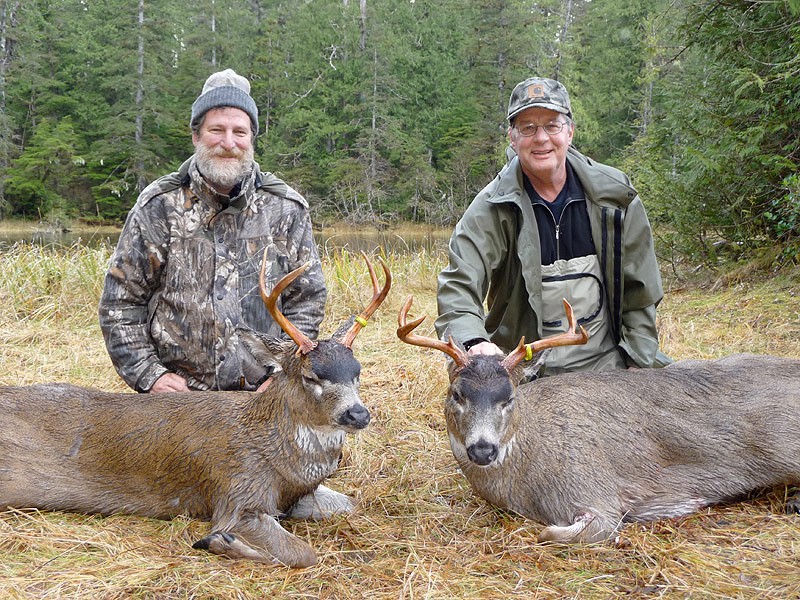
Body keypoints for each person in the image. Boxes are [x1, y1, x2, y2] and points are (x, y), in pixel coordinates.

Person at [99, 69, 326, 393]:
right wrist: (150, 375)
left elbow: (307, 300)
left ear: (252, 138)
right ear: (196, 135)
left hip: (262, 398)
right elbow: (120, 304)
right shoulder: (158, 208)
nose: (228, 143)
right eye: (216, 130)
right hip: (179, 402)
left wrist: (284, 376)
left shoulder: (285, 209)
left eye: (239, 132)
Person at [435, 77, 670, 375]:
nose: (541, 138)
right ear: (512, 137)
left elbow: (641, 292)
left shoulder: (616, 197)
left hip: (607, 365)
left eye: (552, 125)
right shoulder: (490, 207)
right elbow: (459, 285)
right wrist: (474, 340)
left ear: (569, 132)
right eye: (528, 128)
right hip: (524, 370)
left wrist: (637, 358)